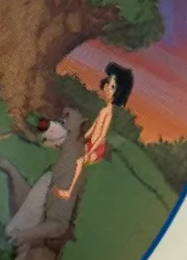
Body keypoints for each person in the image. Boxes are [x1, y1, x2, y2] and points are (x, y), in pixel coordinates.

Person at [54, 62, 134, 200]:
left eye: (112, 87)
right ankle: (63, 178)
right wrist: (85, 136)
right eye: (108, 83)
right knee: (74, 152)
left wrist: (91, 151)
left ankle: (69, 191)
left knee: (80, 161)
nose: (107, 88)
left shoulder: (109, 112)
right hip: (91, 142)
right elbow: (95, 126)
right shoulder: (104, 110)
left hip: (97, 148)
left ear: (119, 92)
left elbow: (102, 136)